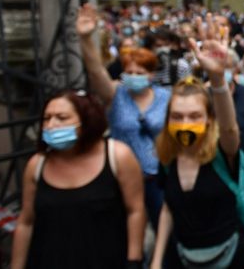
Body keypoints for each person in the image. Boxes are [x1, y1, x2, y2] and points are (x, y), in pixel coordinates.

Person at [11, 90, 145, 269]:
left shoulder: (118, 156)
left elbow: (135, 210)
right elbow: (26, 222)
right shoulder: (37, 165)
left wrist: (134, 260)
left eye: (62, 117)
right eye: (46, 118)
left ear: (87, 120)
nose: (51, 125)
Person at [150, 35, 244, 268]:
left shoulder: (223, 150)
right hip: (183, 257)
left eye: (195, 116)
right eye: (177, 116)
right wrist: (156, 260)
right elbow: (168, 207)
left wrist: (217, 79)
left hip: (228, 258)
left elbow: (229, 128)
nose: (185, 123)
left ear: (209, 120)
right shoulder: (168, 156)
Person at [77, 3, 171, 229]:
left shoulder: (165, 97)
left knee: (163, 227)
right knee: (123, 229)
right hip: (121, 178)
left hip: (158, 178)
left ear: (151, 75)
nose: (134, 76)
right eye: (129, 72)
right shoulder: (116, 94)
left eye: (140, 73)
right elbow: (96, 71)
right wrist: (86, 38)